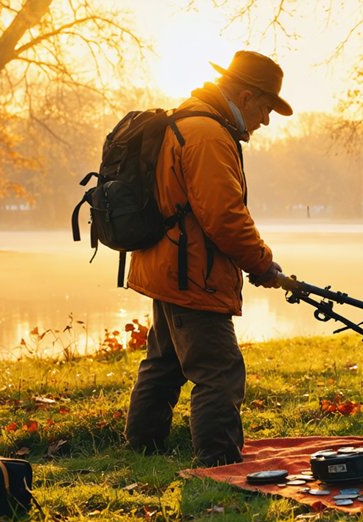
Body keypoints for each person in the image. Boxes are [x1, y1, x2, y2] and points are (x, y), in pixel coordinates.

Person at [124, 50, 291, 466]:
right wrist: (262, 262)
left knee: (163, 361)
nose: (266, 120)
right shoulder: (209, 134)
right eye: (267, 107)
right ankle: (220, 463)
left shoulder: (188, 120)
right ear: (246, 95)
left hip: (168, 267)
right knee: (219, 371)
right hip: (192, 275)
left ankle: (142, 448)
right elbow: (224, 216)